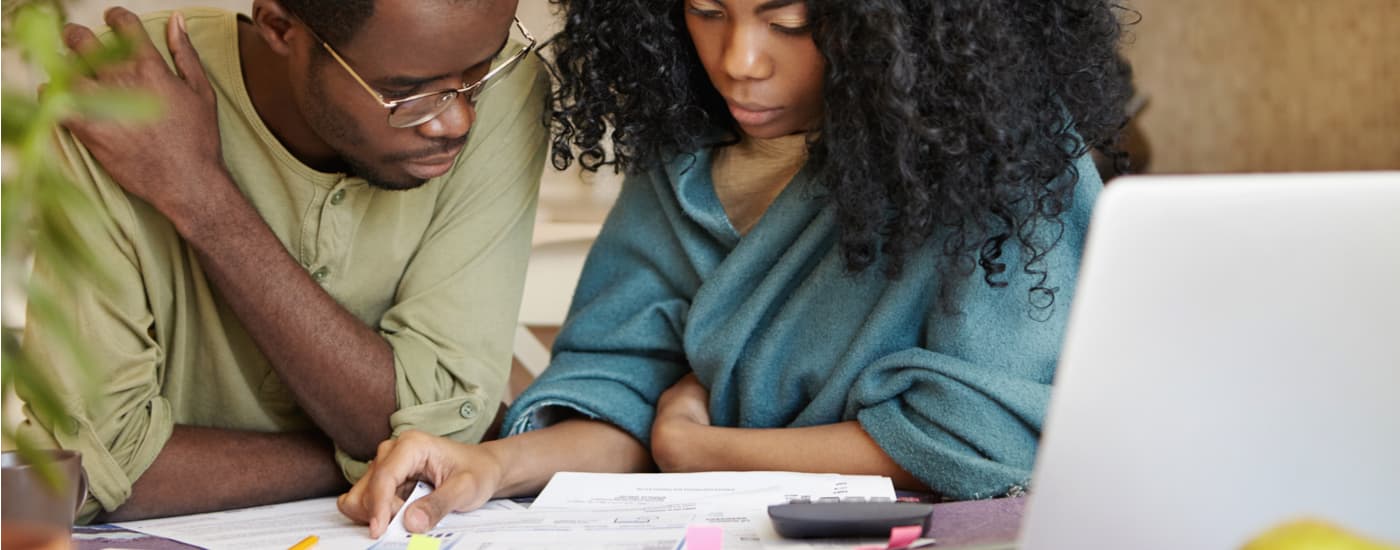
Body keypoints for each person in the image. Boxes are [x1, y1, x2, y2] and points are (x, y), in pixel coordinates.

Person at [339, 0, 1133, 535]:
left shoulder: (1001, 156)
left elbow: (998, 436)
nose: (739, 61)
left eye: (789, 20)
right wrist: (487, 467)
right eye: (706, 10)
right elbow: (624, 403)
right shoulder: (681, 166)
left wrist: (707, 450)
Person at [17, 0, 547, 522]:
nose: (456, 120)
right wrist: (380, 456)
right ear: (279, 26)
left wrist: (202, 197)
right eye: (403, 92)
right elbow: (84, 470)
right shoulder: (132, 91)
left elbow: (449, 433)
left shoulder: (506, 91)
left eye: (481, 69)